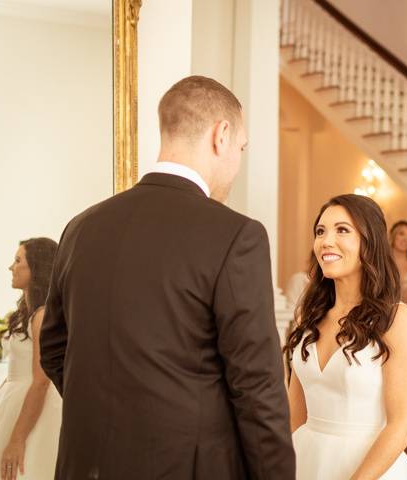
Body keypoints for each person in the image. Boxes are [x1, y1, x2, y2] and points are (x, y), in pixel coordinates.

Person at [39, 76, 295, 479]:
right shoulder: (236, 235)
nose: (238, 162)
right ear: (221, 136)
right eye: (242, 148)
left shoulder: (81, 227)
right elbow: (257, 386)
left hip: (84, 463)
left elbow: (54, 347)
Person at [285, 194, 407, 480]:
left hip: (370, 469)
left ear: (369, 242)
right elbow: (295, 414)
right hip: (307, 462)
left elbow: (402, 426)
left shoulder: (399, 321)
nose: (326, 241)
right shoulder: (307, 317)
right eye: (320, 231)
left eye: (342, 230)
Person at [0, 238, 61, 479]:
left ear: (36, 268)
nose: (11, 267)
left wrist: (17, 439)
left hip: (35, 408)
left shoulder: (42, 315)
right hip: (12, 400)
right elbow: (13, 375)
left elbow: (41, 381)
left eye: (18, 260)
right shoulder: (26, 315)